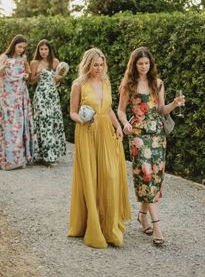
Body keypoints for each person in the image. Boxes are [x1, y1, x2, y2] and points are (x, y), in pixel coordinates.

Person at [118, 46, 185, 247]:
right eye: (140, 63)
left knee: (155, 176)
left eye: (147, 63)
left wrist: (174, 104)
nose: (144, 66)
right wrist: (125, 124)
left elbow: (161, 109)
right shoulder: (128, 85)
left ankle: (142, 215)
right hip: (138, 135)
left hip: (157, 135)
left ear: (151, 64)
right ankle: (157, 225)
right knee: (145, 175)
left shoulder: (158, 83)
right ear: (134, 65)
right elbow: (120, 110)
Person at [68, 48, 131, 248]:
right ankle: (93, 227)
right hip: (87, 133)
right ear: (88, 64)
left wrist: (118, 125)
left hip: (106, 132)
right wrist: (83, 120)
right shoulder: (78, 84)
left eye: (101, 64)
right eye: (95, 64)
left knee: (111, 176)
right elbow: (72, 112)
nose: (99, 68)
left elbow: (109, 108)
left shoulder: (106, 82)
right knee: (91, 178)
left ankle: (110, 228)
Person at [30, 39, 66, 166]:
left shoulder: (55, 62)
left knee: (52, 122)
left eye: (46, 49)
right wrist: (38, 75)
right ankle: (44, 156)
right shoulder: (34, 63)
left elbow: (58, 81)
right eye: (41, 49)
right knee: (43, 123)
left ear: (49, 50)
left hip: (52, 95)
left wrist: (59, 78)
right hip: (40, 96)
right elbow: (31, 81)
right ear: (38, 50)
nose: (44, 51)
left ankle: (51, 154)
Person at [0, 35, 33, 170]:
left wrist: (25, 76)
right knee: (7, 126)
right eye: (19, 47)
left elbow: (28, 75)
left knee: (18, 127)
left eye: (24, 48)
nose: (21, 50)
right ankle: (7, 160)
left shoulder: (23, 59)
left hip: (20, 95)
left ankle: (19, 159)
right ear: (13, 45)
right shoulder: (4, 57)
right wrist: (3, 66)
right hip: (7, 96)